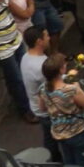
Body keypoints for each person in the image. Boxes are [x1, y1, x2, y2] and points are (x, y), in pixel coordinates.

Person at [38, 53, 84, 167]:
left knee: (69, 162)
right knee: (83, 163)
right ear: (61, 70)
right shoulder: (71, 89)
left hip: (59, 132)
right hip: (77, 131)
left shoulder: (43, 88)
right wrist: (77, 86)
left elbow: (41, 108)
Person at [21, 27, 58, 159]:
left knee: (49, 138)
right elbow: (53, 89)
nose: (49, 38)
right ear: (39, 41)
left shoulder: (26, 56)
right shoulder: (41, 66)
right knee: (55, 141)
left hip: (36, 106)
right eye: (46, 36)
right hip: (46, 110)